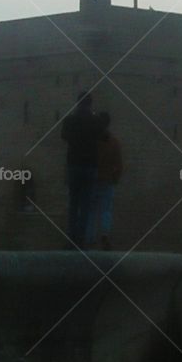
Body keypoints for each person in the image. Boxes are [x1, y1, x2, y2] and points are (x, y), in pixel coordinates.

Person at [61, 92, 99, 247]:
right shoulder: (95, 121)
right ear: (90, 104)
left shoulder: (70, 119)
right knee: (85, 205)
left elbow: (64, 136)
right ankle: (81, 240)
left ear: (78, 103)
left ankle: (71, 238)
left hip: (74, 164)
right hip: (90, 165)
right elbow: (102, 136)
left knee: (73, 203)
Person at [90, 112, 123, 250]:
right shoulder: (114, 142)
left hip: (92, 180)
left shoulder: (92, 141)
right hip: (107, 181)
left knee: (90, 211)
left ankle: (89, 239)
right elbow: (119, 165)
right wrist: (114, 179)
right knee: (106, 211)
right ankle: (104, 236)